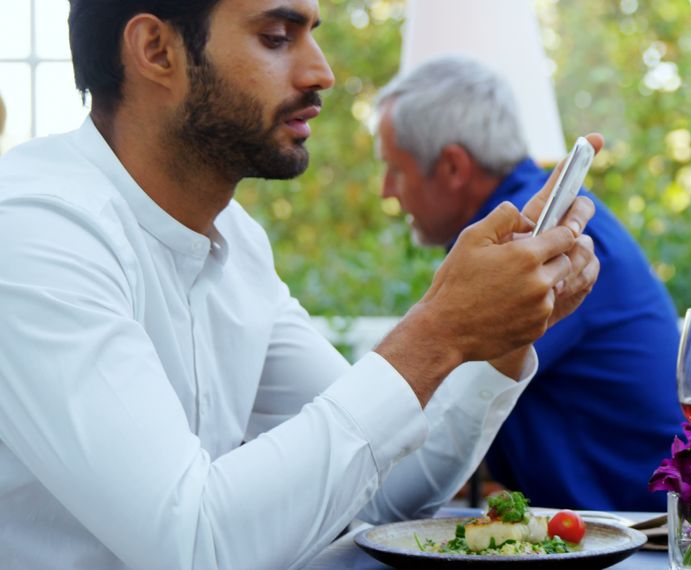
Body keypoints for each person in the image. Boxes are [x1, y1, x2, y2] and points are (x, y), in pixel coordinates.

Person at [0, 1, 600, 568]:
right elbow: (194, 546)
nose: (323, 72)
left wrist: (501, 335)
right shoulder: (35, 231)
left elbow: (385, 490)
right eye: (276, 37)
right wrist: (440, 329)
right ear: (157, 50)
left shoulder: (237, 243)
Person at [375, 55, 684, 512]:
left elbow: (418, 411)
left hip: (643, 535)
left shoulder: (537, 244)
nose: (386, 190)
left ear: (454, 167)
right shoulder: (523, 228)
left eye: (395, 169)